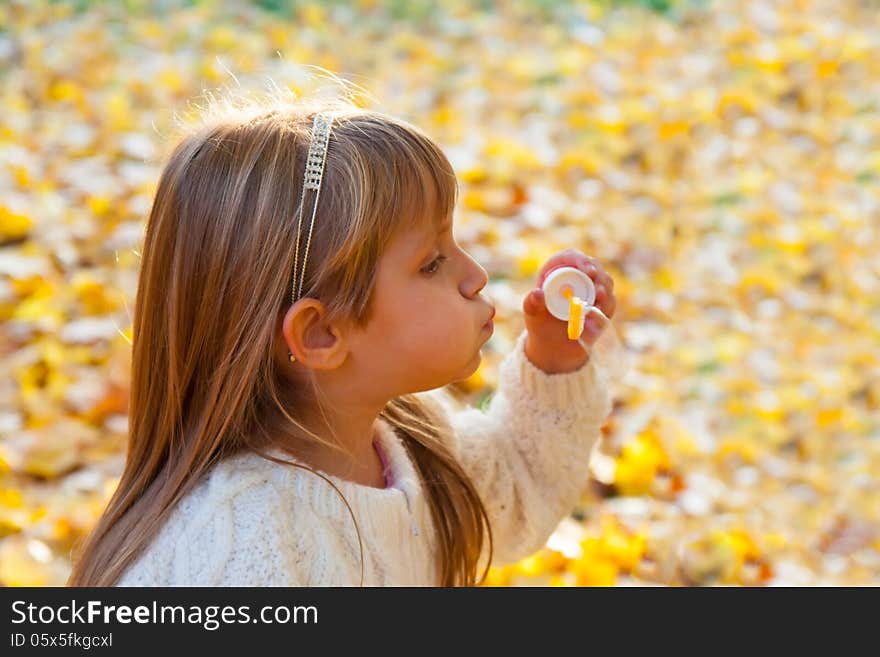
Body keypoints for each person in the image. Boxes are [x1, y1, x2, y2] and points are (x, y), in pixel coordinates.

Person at [67, 87, 618, 587]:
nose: (475, 276)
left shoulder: (408, 438)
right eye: (432, 263)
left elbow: (518, 493)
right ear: (322, 333)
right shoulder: (243, 553)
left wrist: (555, 360)